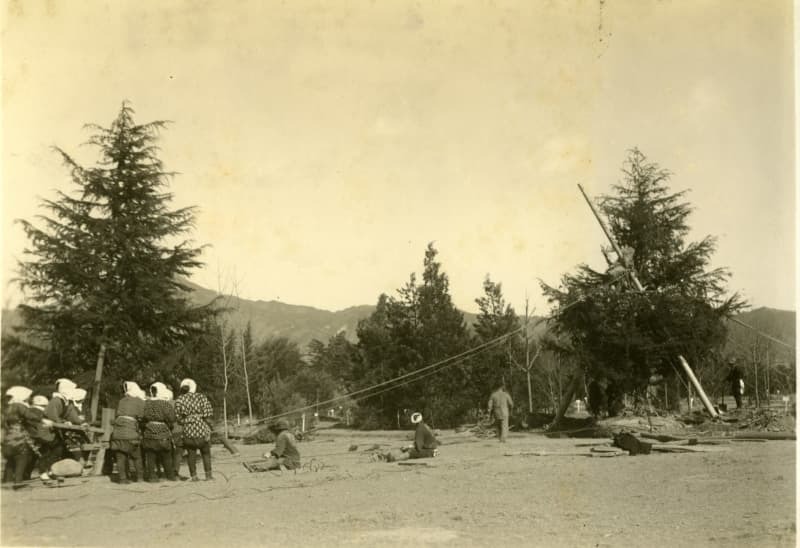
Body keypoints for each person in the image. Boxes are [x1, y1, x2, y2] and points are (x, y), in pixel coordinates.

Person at [174, 378, 214, 481]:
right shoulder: (201, 397)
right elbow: (208, 414)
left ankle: (194, 476)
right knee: (205, 453)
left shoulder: (179, 400)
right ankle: (208, 475)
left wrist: (187, 420)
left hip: (188, 432)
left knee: (191, 454)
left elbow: (178, 418)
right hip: (201, 429)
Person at [2, 386, 40, 489]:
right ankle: (18, 483)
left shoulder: (6, 408)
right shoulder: (19, 405)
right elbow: (29, 416)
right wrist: (41, 419)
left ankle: (7, 482)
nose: (28, 399)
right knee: (21, 458)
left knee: (10, 461)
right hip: (18, 438)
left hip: (7, 439)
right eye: (27, 397)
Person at [110, 381, 146, 484]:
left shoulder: (122, 401)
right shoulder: (139, 401)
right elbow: (142, 415)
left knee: (120, 457)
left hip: (117, 431)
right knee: (137, 456)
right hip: (130, 432)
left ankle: (122, 479)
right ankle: (140, 478)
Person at [142, 382, 177, 482]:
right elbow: (171, 418)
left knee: (150, 456)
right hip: (162, 432)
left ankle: (152, 476)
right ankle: (170, 476)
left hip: (149, 433)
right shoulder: (165, 404)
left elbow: (143, 416)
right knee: (167, 455)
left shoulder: (146, 403)